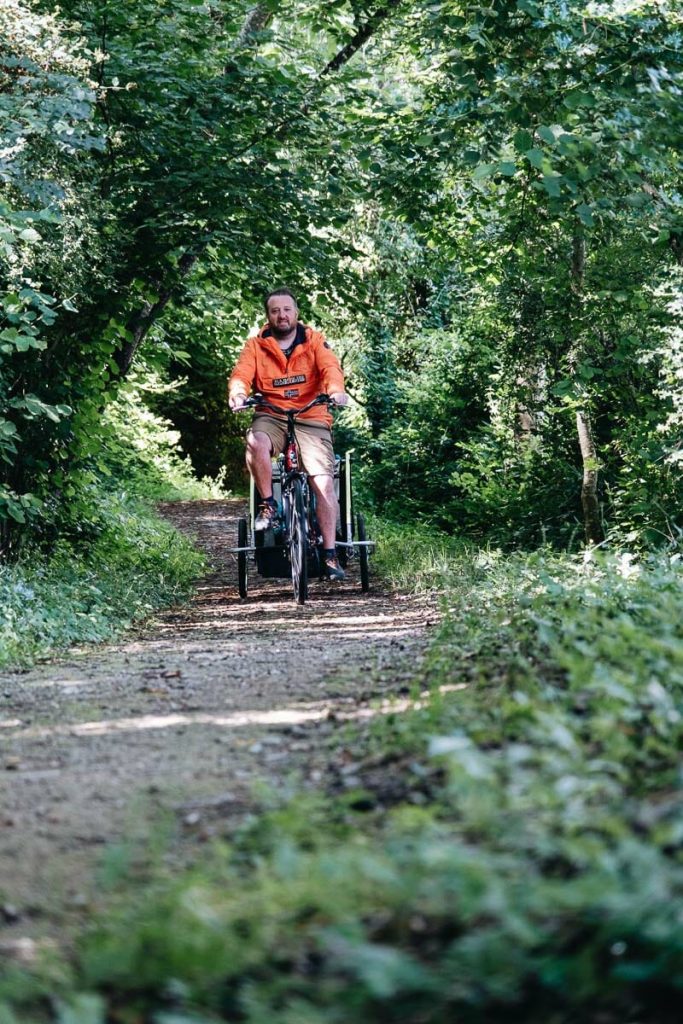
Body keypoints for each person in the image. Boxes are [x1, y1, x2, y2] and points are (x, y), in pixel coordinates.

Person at [228, 287, 349, 581]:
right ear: (268, 316)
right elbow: (241, 374)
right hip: (271, 414)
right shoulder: (255, 346)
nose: (281, 315)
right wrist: (239, 394)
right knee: (255, 441)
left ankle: (330, 554)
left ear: (296, 313)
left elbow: (330, 368)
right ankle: (269, 506)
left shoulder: (314, 341)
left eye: (286, 310)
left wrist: (335, 391)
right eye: (275, 311)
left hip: (311, 415)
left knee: (324, 483)